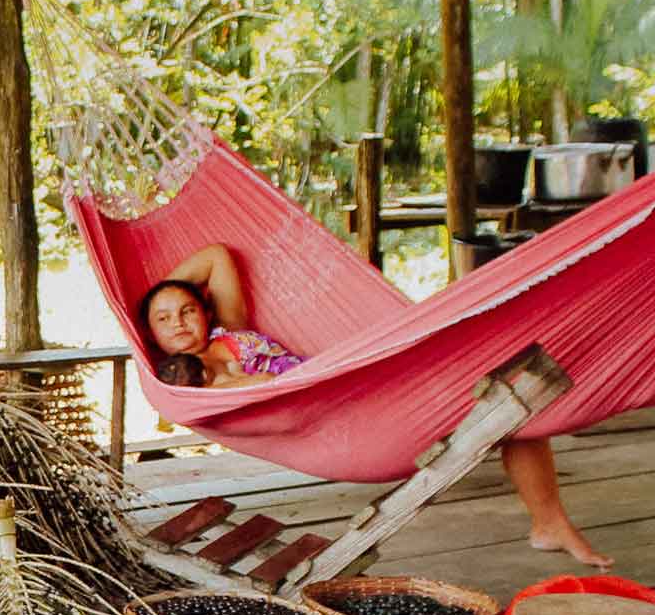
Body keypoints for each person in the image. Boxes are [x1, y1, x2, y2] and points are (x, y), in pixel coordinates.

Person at [138, 243, 612, 568]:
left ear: (204, 311)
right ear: (153, 337)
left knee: (513, 397)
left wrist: (158, 295)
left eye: (186, 311)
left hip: (363, 385)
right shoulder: (194, 380)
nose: (178, 322)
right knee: (503, 392)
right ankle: (549, 522)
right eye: (164, 320)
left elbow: (216, 256)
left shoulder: (231, 326)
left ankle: (549, 522)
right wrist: (157, 318)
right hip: (340, 414)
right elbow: (255, 390)